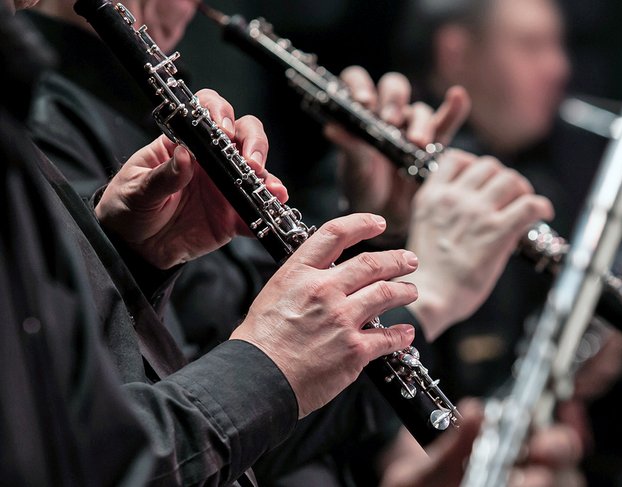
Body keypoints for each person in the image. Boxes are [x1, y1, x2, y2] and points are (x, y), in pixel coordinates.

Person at [3, 0, 585, 485]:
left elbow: (124, 380)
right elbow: (103, 454)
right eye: (531, 45)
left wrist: (132, 261)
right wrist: (421, 291)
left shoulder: (92, 118)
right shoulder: (49, 119)